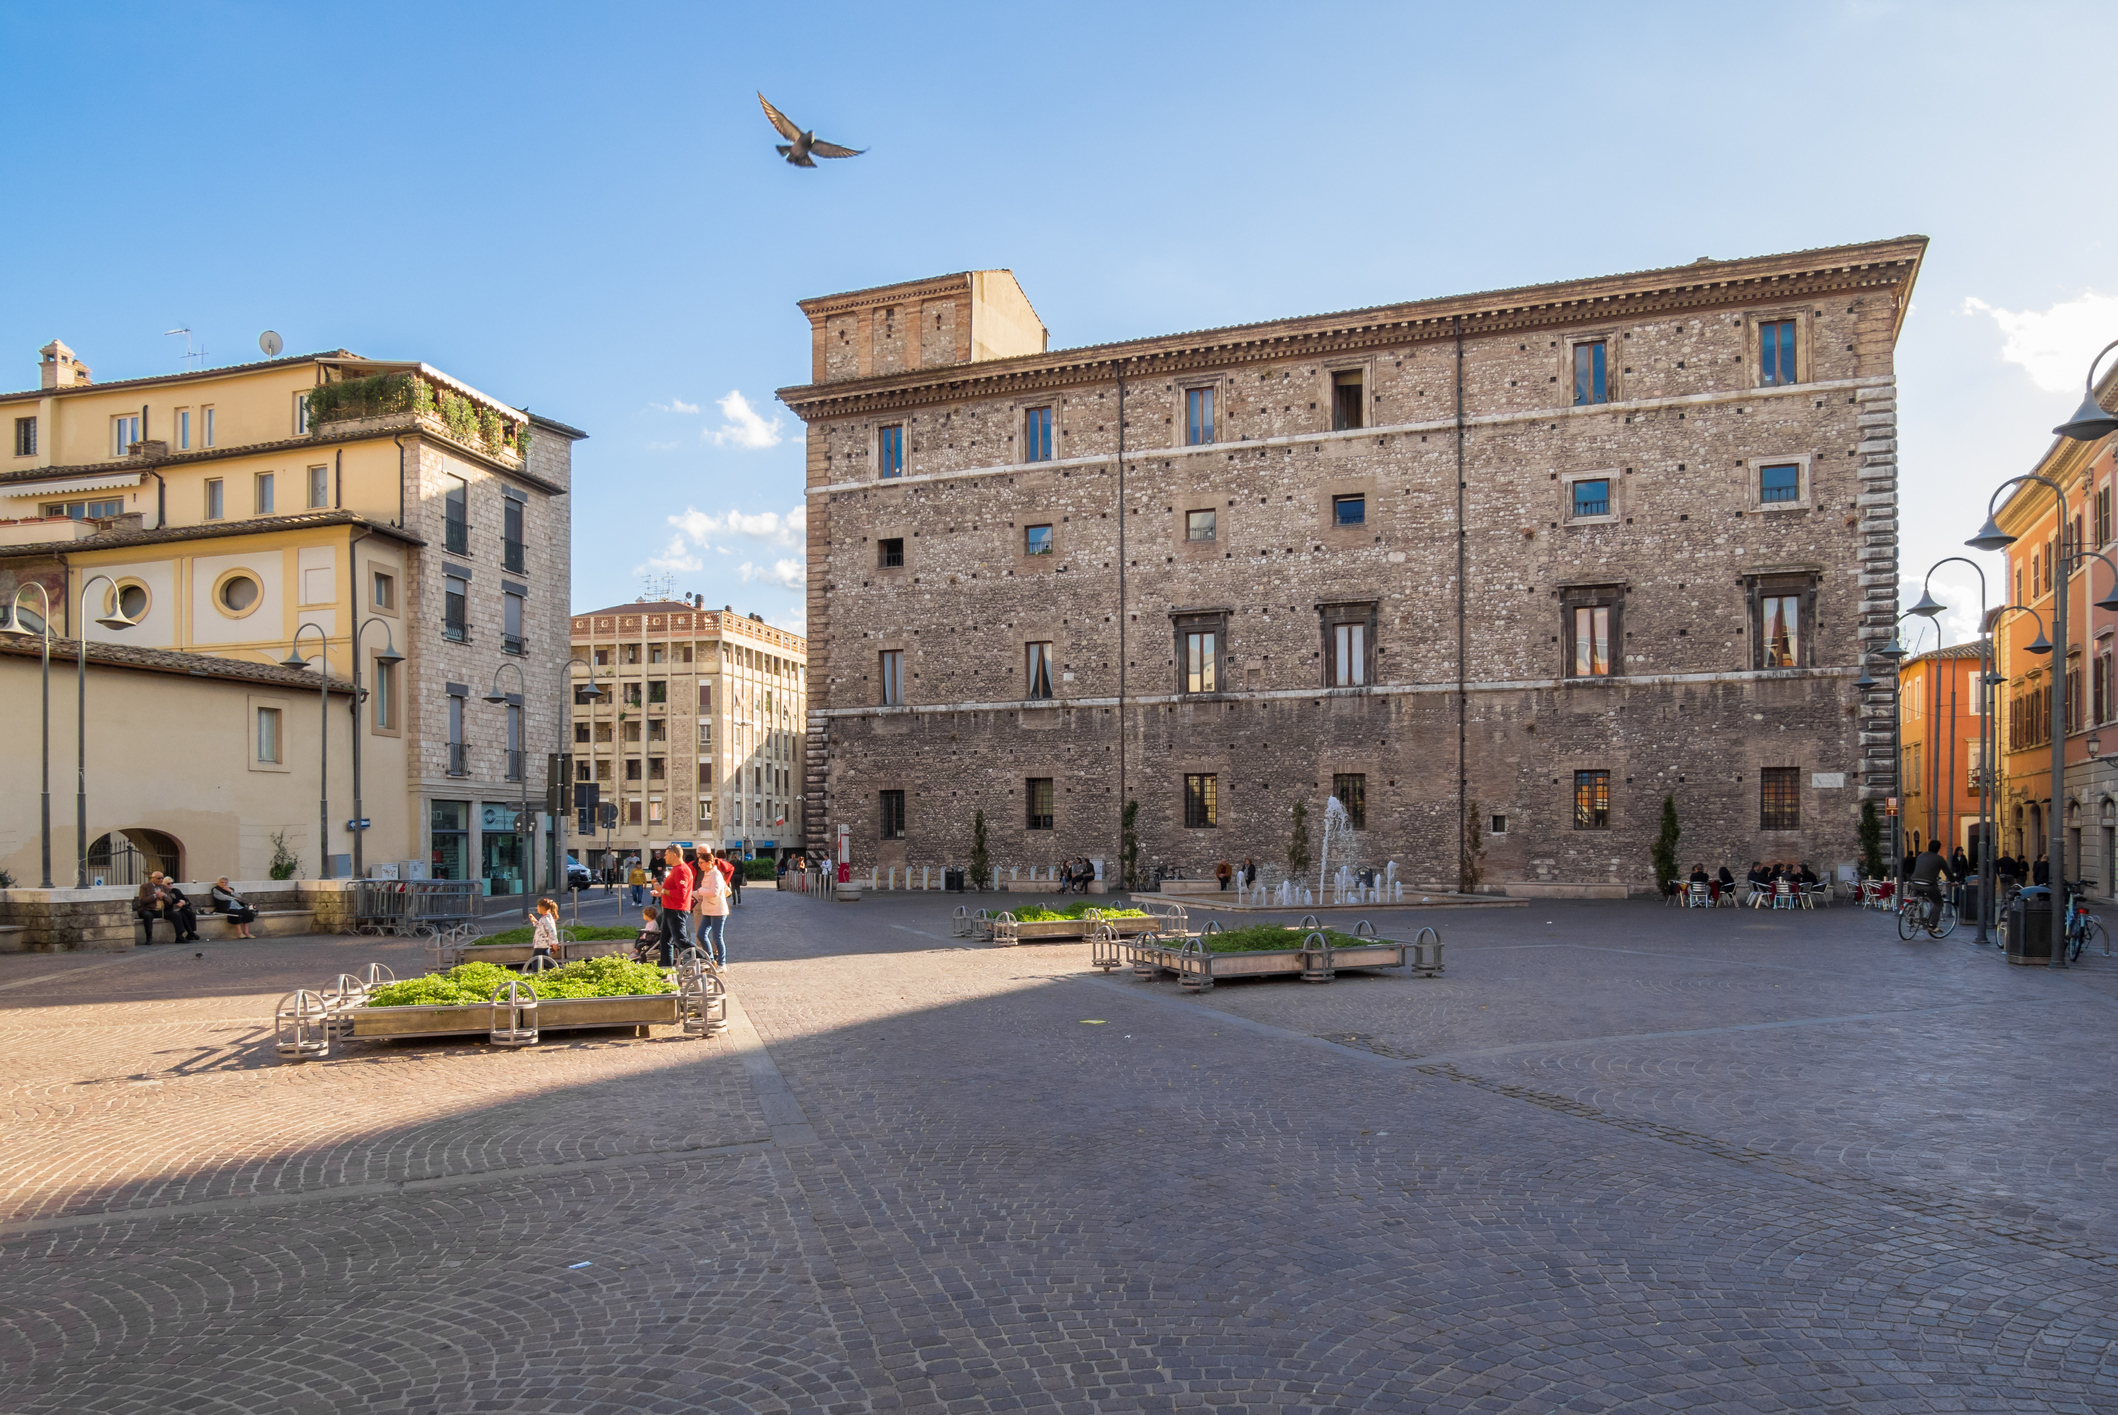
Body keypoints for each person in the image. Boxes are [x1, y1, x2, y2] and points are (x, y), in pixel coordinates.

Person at [656, 845, 692, 966]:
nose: (664, 857)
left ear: (674, 855)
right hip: (670, 909)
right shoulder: (676, 869)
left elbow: (681, 894)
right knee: (665, 941)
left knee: (680, 940)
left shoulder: (681, 870)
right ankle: (666, 968)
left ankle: (704, 958)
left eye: (666, 854)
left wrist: (662, 891)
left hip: (677, 909)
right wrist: (661, 892)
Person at [696, 843, 731, 967]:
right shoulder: (708, 873)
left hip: (717, 910)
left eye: (701, 863)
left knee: (717, 938)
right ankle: (710, 960)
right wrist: (692, 894)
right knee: (701, 934)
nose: (699, 865)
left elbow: (714, 892)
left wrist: (699, 891)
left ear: (709, 862)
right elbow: (704, 890)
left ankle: (722, 963)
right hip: (708, 909)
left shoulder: (715, 874)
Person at [1909, 842, 1951, 930]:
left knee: (1914, 898)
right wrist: (1954, 881)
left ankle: (1910, 915)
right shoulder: (1939, 859)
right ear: (1938, 849)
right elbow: (1947, 872)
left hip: (1914, 882)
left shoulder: (1920, 856)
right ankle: (1932, 925)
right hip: (1928, 884)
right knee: (1938, 903)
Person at [527, 897, 562, 972]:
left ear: (542, 907)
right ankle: (559, 969)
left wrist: (554, 942)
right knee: (547, 960)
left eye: (538, 906)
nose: (537, 908)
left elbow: (552, 930)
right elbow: (541, 927)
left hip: (541, 944)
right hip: (543, 943)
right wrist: (535, 921)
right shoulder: (545, 918)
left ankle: (535, 975)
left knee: (535, 960)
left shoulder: (547, 919)